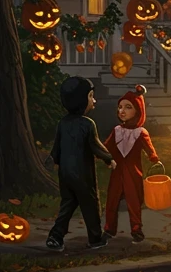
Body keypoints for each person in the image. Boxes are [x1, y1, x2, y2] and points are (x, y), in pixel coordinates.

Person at [46, 77, 117, 251]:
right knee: (90, 204)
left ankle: (56, 236)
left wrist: (51, 160)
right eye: (91, 96)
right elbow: (95, 145)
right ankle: (95, 238)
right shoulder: (87, 124)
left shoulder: (63, 123)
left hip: (65, 174)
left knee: (68, 204)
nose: (94, 100)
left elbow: (57, 147)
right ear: (81, 100)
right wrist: (109, 158)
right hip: (83, 174)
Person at [103, 85, 160, 243]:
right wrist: (104, 156)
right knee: (112, 200)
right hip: (117, 171)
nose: (122, 111)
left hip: (133, 172)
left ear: (138, 110)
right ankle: (109, 228)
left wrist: (154, 159)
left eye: (128, 107)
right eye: (120, 107)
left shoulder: (140, 132)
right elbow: (107, 147)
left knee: (133, 200)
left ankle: (136, 228)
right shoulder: (117, 130)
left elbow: (150, 149)